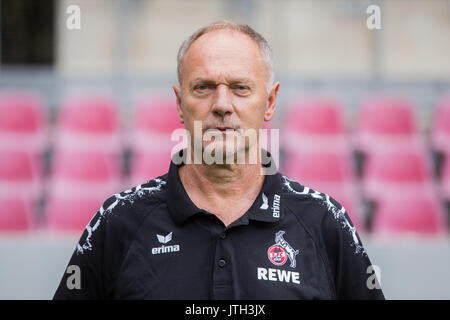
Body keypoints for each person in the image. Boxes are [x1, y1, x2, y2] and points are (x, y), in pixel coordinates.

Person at [53, 21, 384, 300]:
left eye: (240, 88)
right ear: (180, 103)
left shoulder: (325, 223)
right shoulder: (117, 222)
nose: (222, 104)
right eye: (203, 87)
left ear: (269, 102)